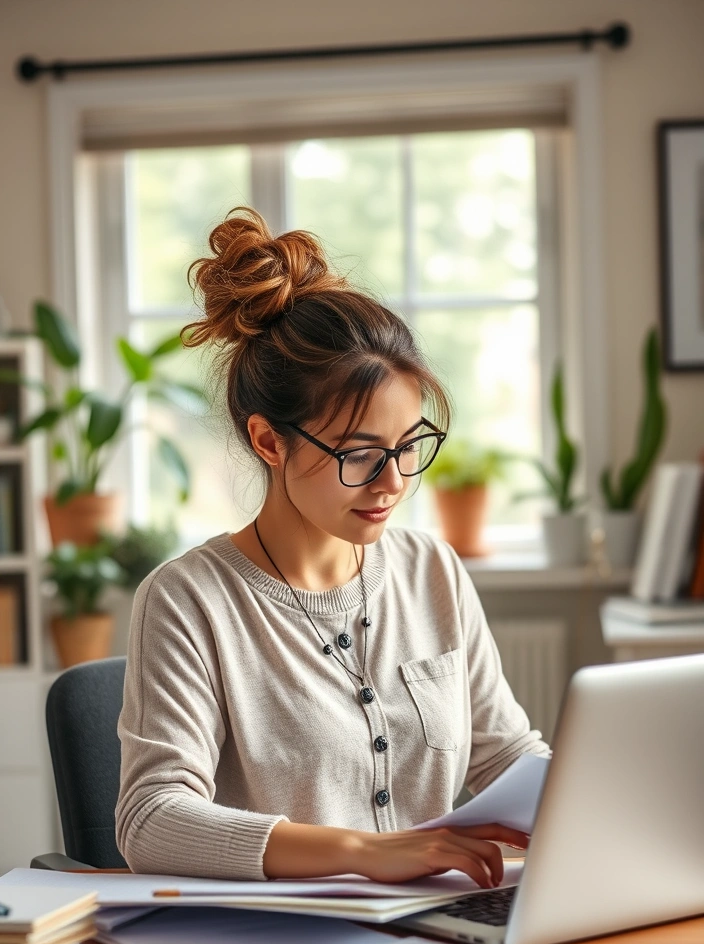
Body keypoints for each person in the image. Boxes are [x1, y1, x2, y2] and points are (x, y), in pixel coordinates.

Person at [115, 206, 549, 888]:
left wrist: (598, 809)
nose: (394, 481)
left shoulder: (431, 570)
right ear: (268, 441)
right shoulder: (188, 600)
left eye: (409, 448)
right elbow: (152, 819)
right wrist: (363, 853)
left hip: (437, 924)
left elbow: (506, 755)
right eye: (359, 455)